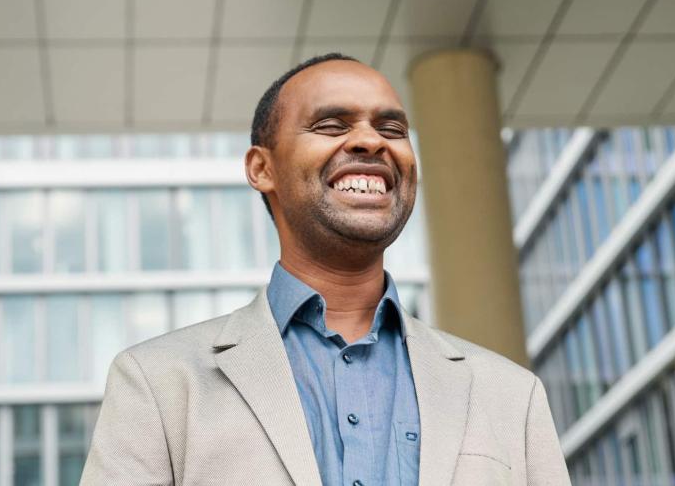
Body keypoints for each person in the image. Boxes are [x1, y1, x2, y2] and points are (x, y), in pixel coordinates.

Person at [81, 53, 570, 485]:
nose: (370, 141)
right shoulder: (158, 381)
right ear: (261, 168)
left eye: (393, 129)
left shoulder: (512, 394)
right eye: (332, 126)